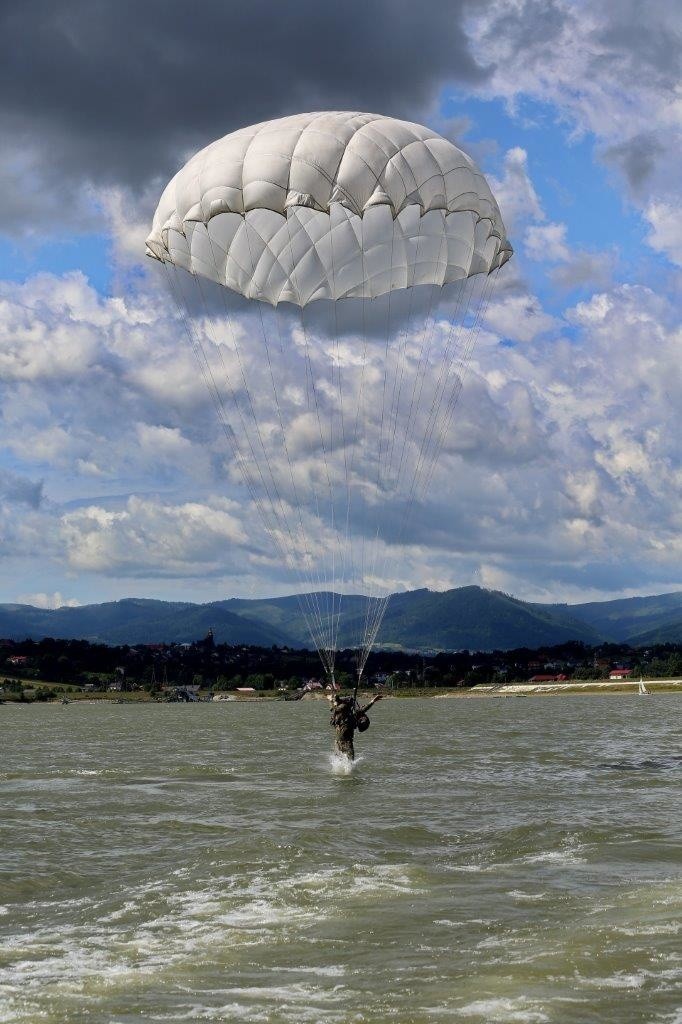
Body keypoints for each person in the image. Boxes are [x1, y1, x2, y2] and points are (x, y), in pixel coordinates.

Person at [329, 692, 383, 760]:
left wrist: (331, 701)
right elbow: (363, 710)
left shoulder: (340, 712)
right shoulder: (348, 713)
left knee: (342, 760)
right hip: (344, 741)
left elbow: (363, 709)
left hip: (340, 741)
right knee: (349, 761)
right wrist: (372, 701)